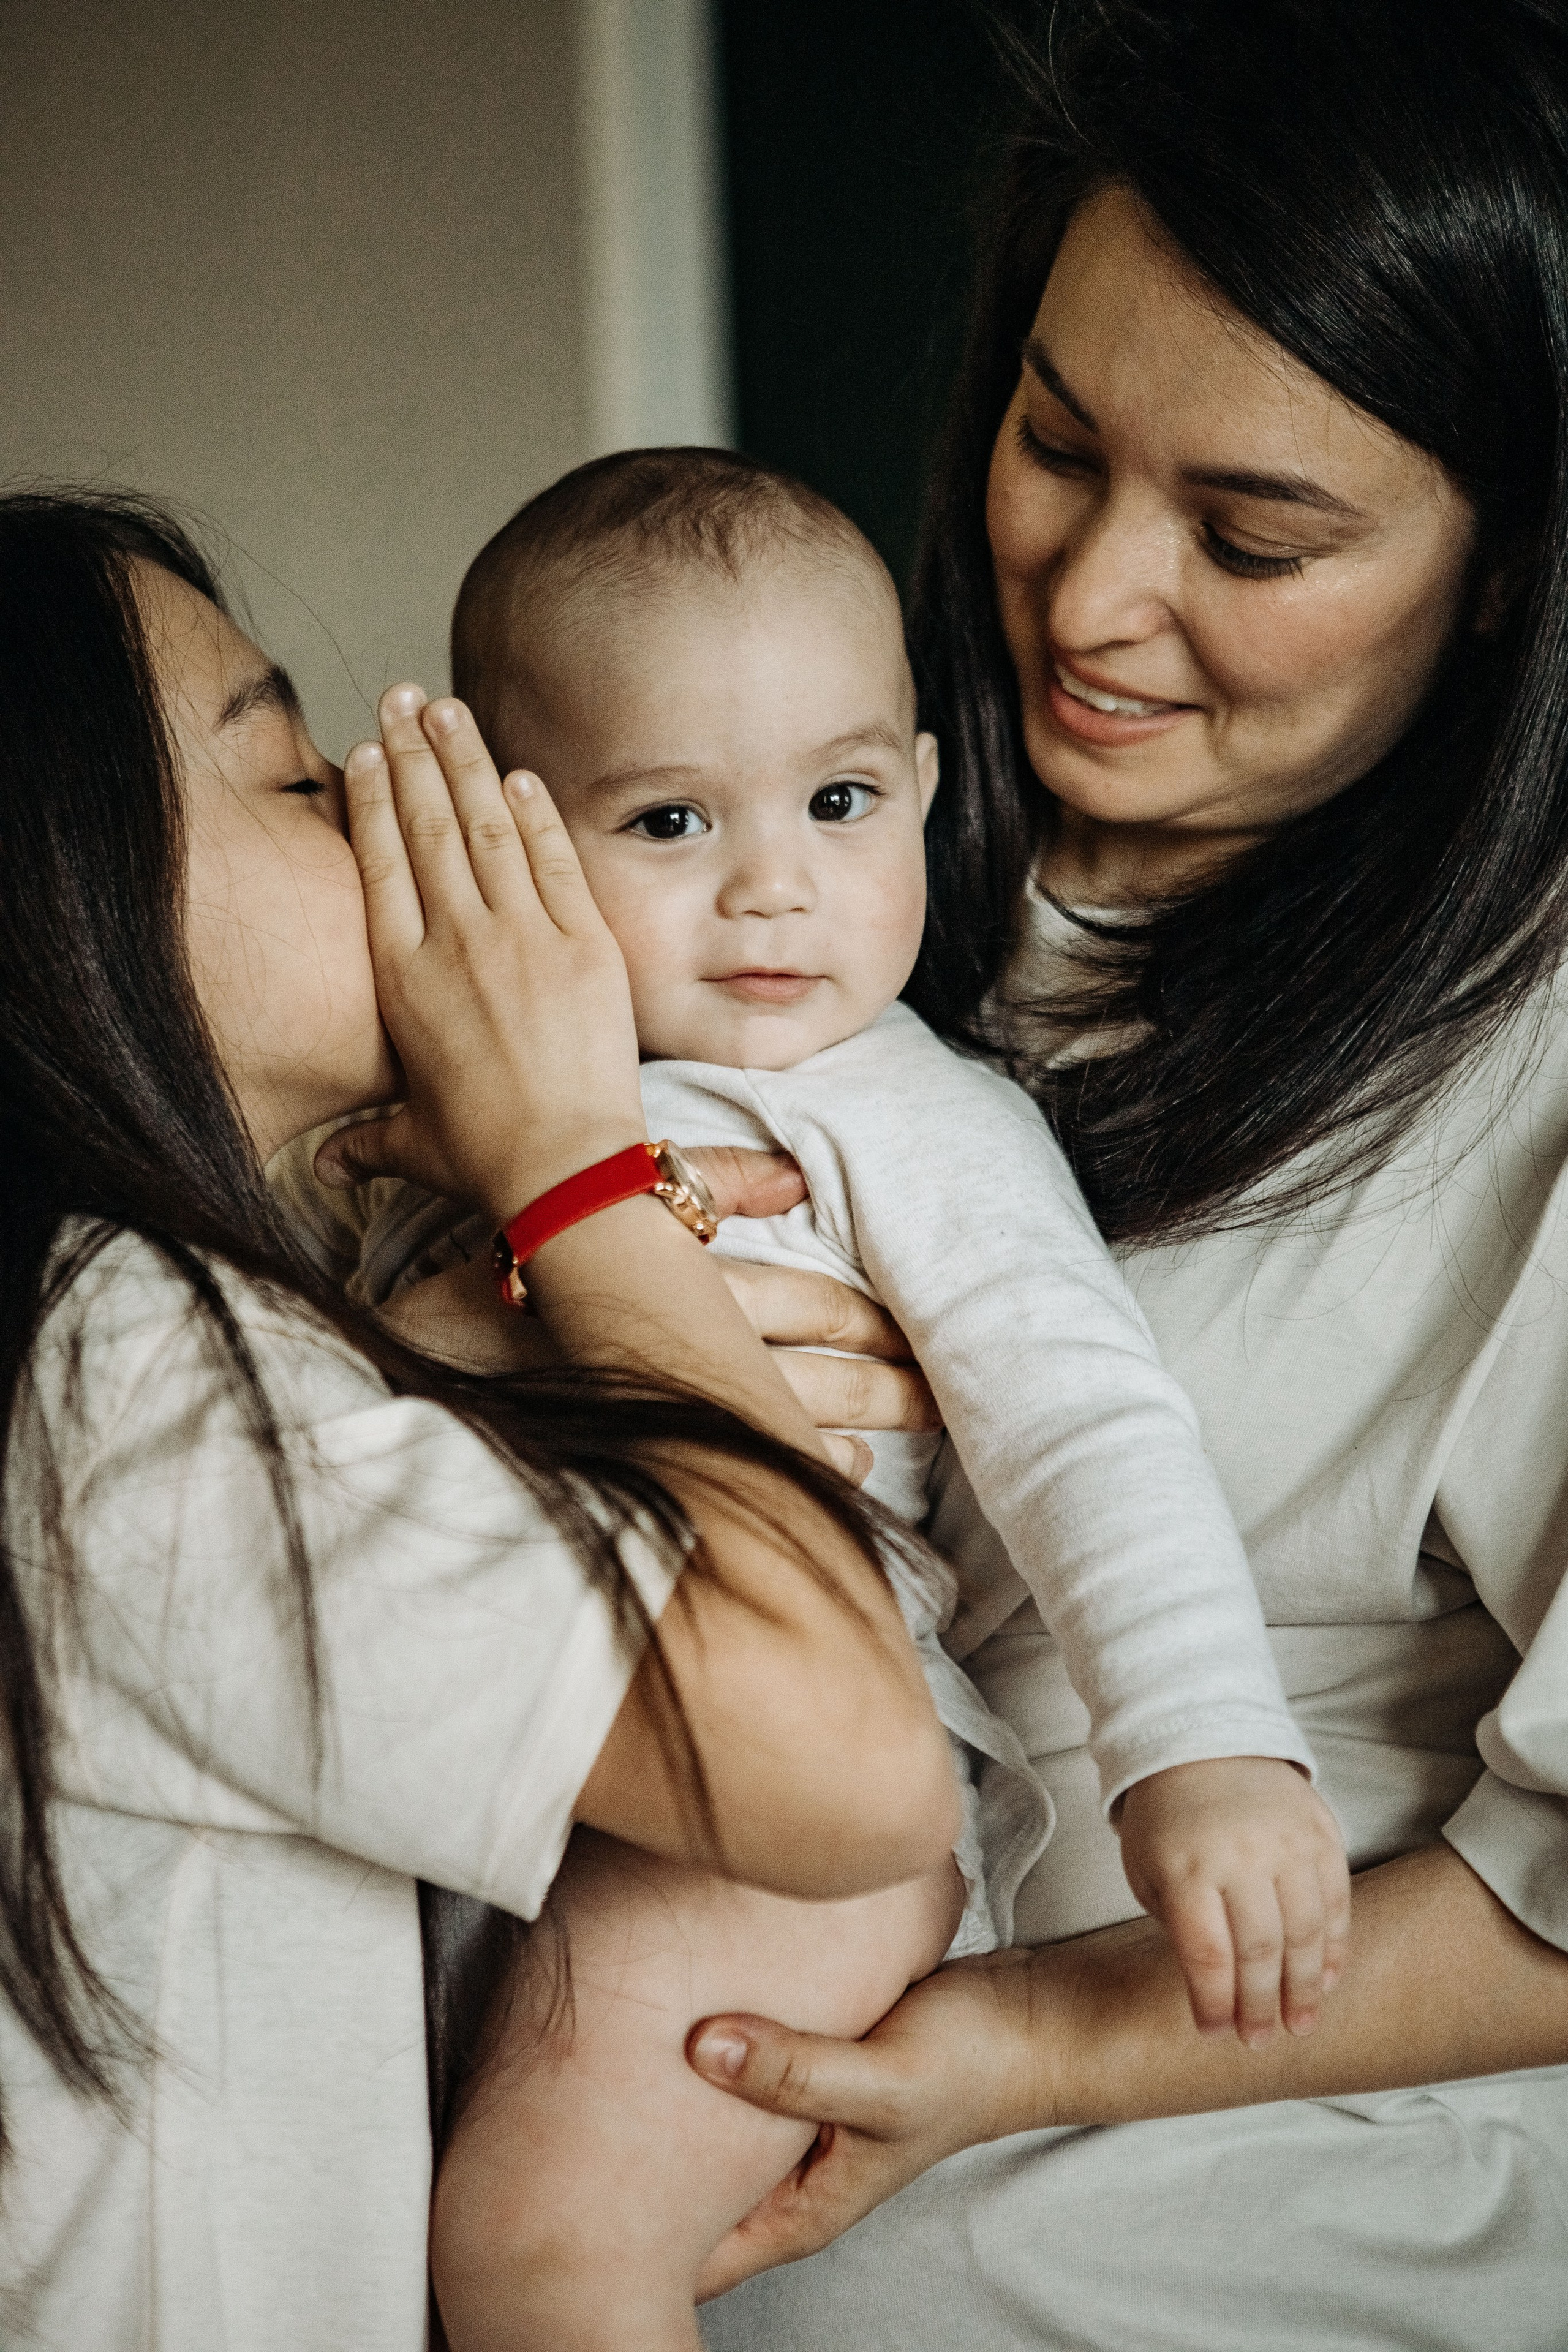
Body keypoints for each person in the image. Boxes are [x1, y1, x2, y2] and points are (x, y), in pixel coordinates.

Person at [669, 3, 1568, 2345]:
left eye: (1253, 539)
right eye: (1055, 443)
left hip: (1253, 2089)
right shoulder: (810, 822)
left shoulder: (1532, 1054)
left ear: (1503, 565)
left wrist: (1031, 2043)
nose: (1082, 602)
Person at [305, 446, 1340, 2351]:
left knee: (537, 2249)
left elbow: (1084, 1423)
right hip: (523, 1755)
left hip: (776, 1812)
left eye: (841, 800)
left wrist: (1204, 1746)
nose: (776, 887)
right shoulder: (440, 1086)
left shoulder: (900, 1112)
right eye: (670, 819)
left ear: (925, 790)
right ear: (506, 840)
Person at [0, 486, 967, 2352]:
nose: (386, 803)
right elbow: (855, 1776)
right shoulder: (120, 1365)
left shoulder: (133, 1353)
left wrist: (429, 1356)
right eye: (291, 778)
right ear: (66, 903)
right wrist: (578, 1172)